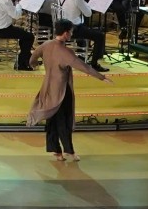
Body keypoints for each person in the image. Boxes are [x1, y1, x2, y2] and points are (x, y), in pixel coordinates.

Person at [26, 19, 112, 161]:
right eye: (71, 32)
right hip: (62, 91)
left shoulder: (46, 45)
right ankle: (69, 151)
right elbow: (84, 67)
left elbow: (33, 58)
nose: (71, 34)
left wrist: (34, 64)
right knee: (63, 121)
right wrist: (101, 77)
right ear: (66, 33)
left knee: (52, 120)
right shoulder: (66, 52)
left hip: (47, 87)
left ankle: (56, 150)